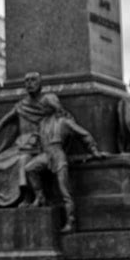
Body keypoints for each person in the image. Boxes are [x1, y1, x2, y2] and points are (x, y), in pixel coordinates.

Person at [25, 93, 104, 233]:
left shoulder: (64, 122)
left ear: (51, 106)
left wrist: (94, 150)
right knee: (30, 168)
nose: (41, 108)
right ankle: (40, 196)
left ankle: (70, 221)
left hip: (58, 154)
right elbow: (38, 138)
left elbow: (84, 134)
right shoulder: (42, 123)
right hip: (45, 154)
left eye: (44, 106)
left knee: (64, 190)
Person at [0, 72, 46, 210]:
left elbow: (56, 120)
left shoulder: (46, 103)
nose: (29, 84)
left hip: (37, 145)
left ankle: (27, 197)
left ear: (40, 83)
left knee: (23, 161)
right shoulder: (21, 105)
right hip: (20, 145)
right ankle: (1, 199)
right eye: (26, 81)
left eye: (33, 80)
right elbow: (4, 121)